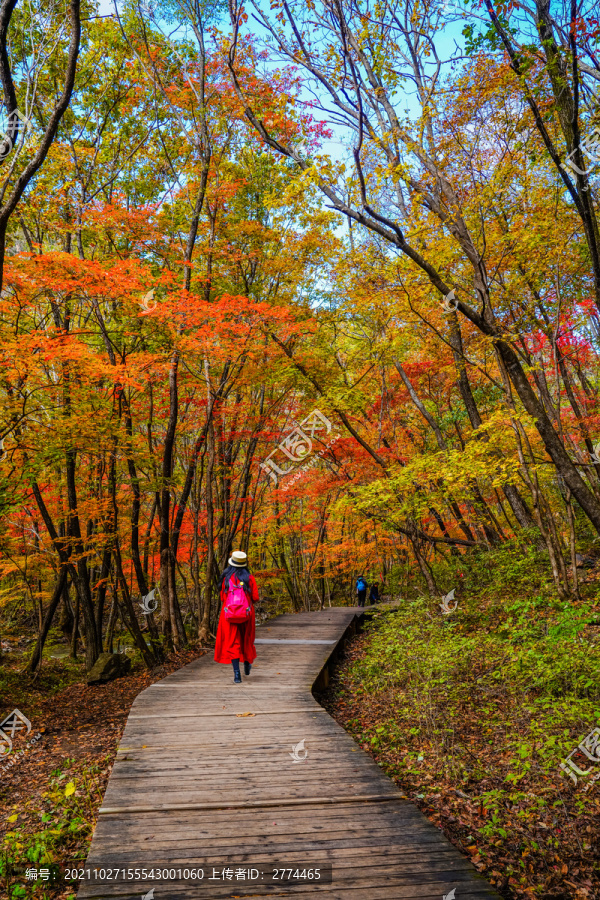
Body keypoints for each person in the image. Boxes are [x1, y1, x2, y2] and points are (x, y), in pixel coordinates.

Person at [214, 550, 259, 683]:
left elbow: (223, 597)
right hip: (246, 614)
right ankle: (246, 663)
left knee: (233, 641)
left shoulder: (226, 578)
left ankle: (237, 674)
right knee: (246, 639)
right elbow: (255, 597)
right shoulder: (249, 578)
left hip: (229, 615)